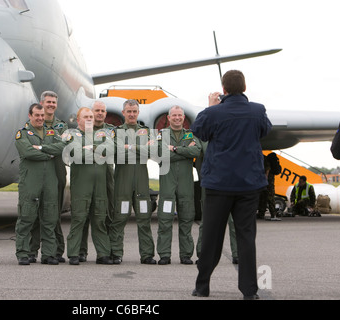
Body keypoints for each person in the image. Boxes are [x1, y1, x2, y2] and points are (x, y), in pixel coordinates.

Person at [191, 70, 272, 299]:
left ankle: (202, 286)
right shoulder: (258, 110)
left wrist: (209, 106)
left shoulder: (213, 113)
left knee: (211, 237)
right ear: (244, 88)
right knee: (246, 237)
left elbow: (198, 131)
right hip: (248, 186)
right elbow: (265, 130)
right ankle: (249, 291)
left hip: (218, 185)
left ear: (223, 89)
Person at [14, 103, 65, 265]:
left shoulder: (52, 132)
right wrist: (48, 155)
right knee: (26, 219)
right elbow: (27, 152)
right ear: (30, 116)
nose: (40, 118)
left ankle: (48, 254)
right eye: (37, 115)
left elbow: (62, 147)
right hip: (30, 183)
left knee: (49, 219)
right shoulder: (22, 134)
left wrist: (42, 147)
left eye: (42, 115)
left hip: (50, 183)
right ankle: (23, 253)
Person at [63, 107, 114, 265]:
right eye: (86, 116)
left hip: (99, 185)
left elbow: (111, 149)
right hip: (81, 185)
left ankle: (103, 254)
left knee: (99, 218)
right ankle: (74, 253)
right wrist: (98, 152)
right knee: (79, 218)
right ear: (78, 120)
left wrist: (89, 149)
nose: (90, 119)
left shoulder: (103, 134)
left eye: (91, 116)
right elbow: (76, 154)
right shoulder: (72, 135)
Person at [108, 99, 156, 265]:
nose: (132, 114)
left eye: (134, 111)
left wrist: (130, 147)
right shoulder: (116, 132)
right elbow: (115, 152)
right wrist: (141, 149)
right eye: (129, 111)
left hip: (142, 181)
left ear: (138, 112)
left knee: (144, 217)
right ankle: (116, 253)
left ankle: (147, 255)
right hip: (123, 181)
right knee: (120, 217)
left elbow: (152, 151)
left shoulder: (146, 131)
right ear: (123, 113)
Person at [155, 105, 202, 265]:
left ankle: (186, 255)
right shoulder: (162, 134)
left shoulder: (190, 134)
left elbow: (196, 152)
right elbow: (160, 154)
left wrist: (174, 149)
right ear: (168, 118)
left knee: (187, 219)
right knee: (165, 220)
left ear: (183, 118)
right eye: (174, 115)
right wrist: (183, 151)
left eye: (179, 115)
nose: (177, 118)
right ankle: (164, 255)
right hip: (167, 185)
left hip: (186, 185)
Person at [29, 91, 69, 263]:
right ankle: (32, 251)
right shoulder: (33, 124)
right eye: (48, 102)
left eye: (54, 102)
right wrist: (51, 148)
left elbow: (63, 146)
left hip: (57, 174)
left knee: (55, 215)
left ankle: (56, 251)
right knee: (36, 215)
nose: (51, 105)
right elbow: (30, 146)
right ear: (41, 103)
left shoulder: (62, 126)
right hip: (38, 175)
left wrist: (43, 148)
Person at [79, 101, 116, 262]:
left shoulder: (111, 131)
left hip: (107, 176)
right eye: (96, 111)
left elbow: (113, 149)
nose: (99, 113)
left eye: (102, 111)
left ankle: (107, 251)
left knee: (106, 213)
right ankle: (81, 251)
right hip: (87, 177)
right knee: (84, 216)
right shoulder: (84, 131)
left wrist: (92, 148)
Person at [258, 152, 281, 221]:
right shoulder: (265, 159)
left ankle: (270, 214)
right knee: (266, 198)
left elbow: (267, 170)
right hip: (270, 182)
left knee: (267, 198)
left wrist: (265, 180)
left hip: (267, 182)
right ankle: (269, 214)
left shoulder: (265, 160)